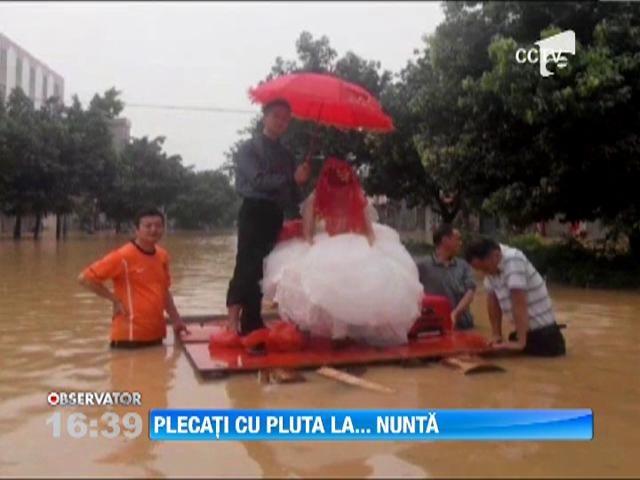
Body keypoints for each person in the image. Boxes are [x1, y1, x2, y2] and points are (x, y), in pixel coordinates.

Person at [262, 157, 423, 347]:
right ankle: (335, 332)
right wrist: (313, 252)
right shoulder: (315, 199)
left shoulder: (356, 196)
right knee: (318, 275)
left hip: (353, 242)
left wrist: (372, 250)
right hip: (324, 245)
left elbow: (368, 231)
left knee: (359, 276)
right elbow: (307, 234)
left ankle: (345, 332)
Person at [226, 99, 311, 345]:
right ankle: (232, 319)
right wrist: (290, 178)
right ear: (265, 117)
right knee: (245, 264)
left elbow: (293, 194)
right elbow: (257, 180)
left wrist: (300, 181)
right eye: (277, 116)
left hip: (275, 213)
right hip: (253, 210)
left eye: (286, 119)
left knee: (265, 267)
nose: (281, 122)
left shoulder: (286, 155)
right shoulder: (248, 149)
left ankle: (252, 319)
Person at [78, 207, 189, 348]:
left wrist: (176, 320)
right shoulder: (122, 256)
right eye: (148, 226)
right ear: (137, 229)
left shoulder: (162, 256)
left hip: (156, 336)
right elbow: (85, 278)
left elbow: (164, 292)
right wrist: (114, 299)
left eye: (158, 226)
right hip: (128, 338)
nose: (153, 230)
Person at [464, 238, 566, 356]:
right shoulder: (491, 267)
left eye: (485, 269)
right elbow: (493, 299)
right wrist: (496, 335)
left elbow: (518, 302)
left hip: (545, 337)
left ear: (495, 255)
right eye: (480, 270)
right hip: (522, 334)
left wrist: (521, 342)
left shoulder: (513, 259)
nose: (484, 273)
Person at [417, 224, 476, 329]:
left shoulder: (463, 266)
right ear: (445, 240)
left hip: (463, 324)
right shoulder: (422, 265)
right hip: (434, 324)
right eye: (457, 239)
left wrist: (455, 313)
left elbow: (470, 291)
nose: (460, 243)